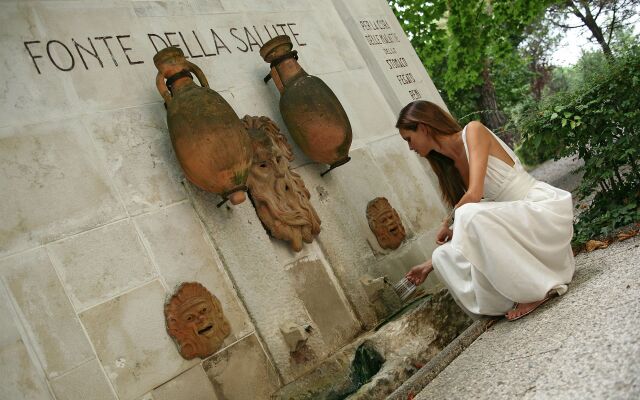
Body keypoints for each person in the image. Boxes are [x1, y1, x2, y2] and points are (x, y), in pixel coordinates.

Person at [398, 100, 575, 320]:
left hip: (535, 210)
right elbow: (479, 213)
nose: (410, 147)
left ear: (423, 127)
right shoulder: (448, 166)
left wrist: (448, 222)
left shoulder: (473, 131)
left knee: (466, 214)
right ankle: (510, 296)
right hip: (510, 221)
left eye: (409, 139)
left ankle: (536, 290)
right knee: (441, 255)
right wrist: (428, 266)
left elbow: (473, 195)